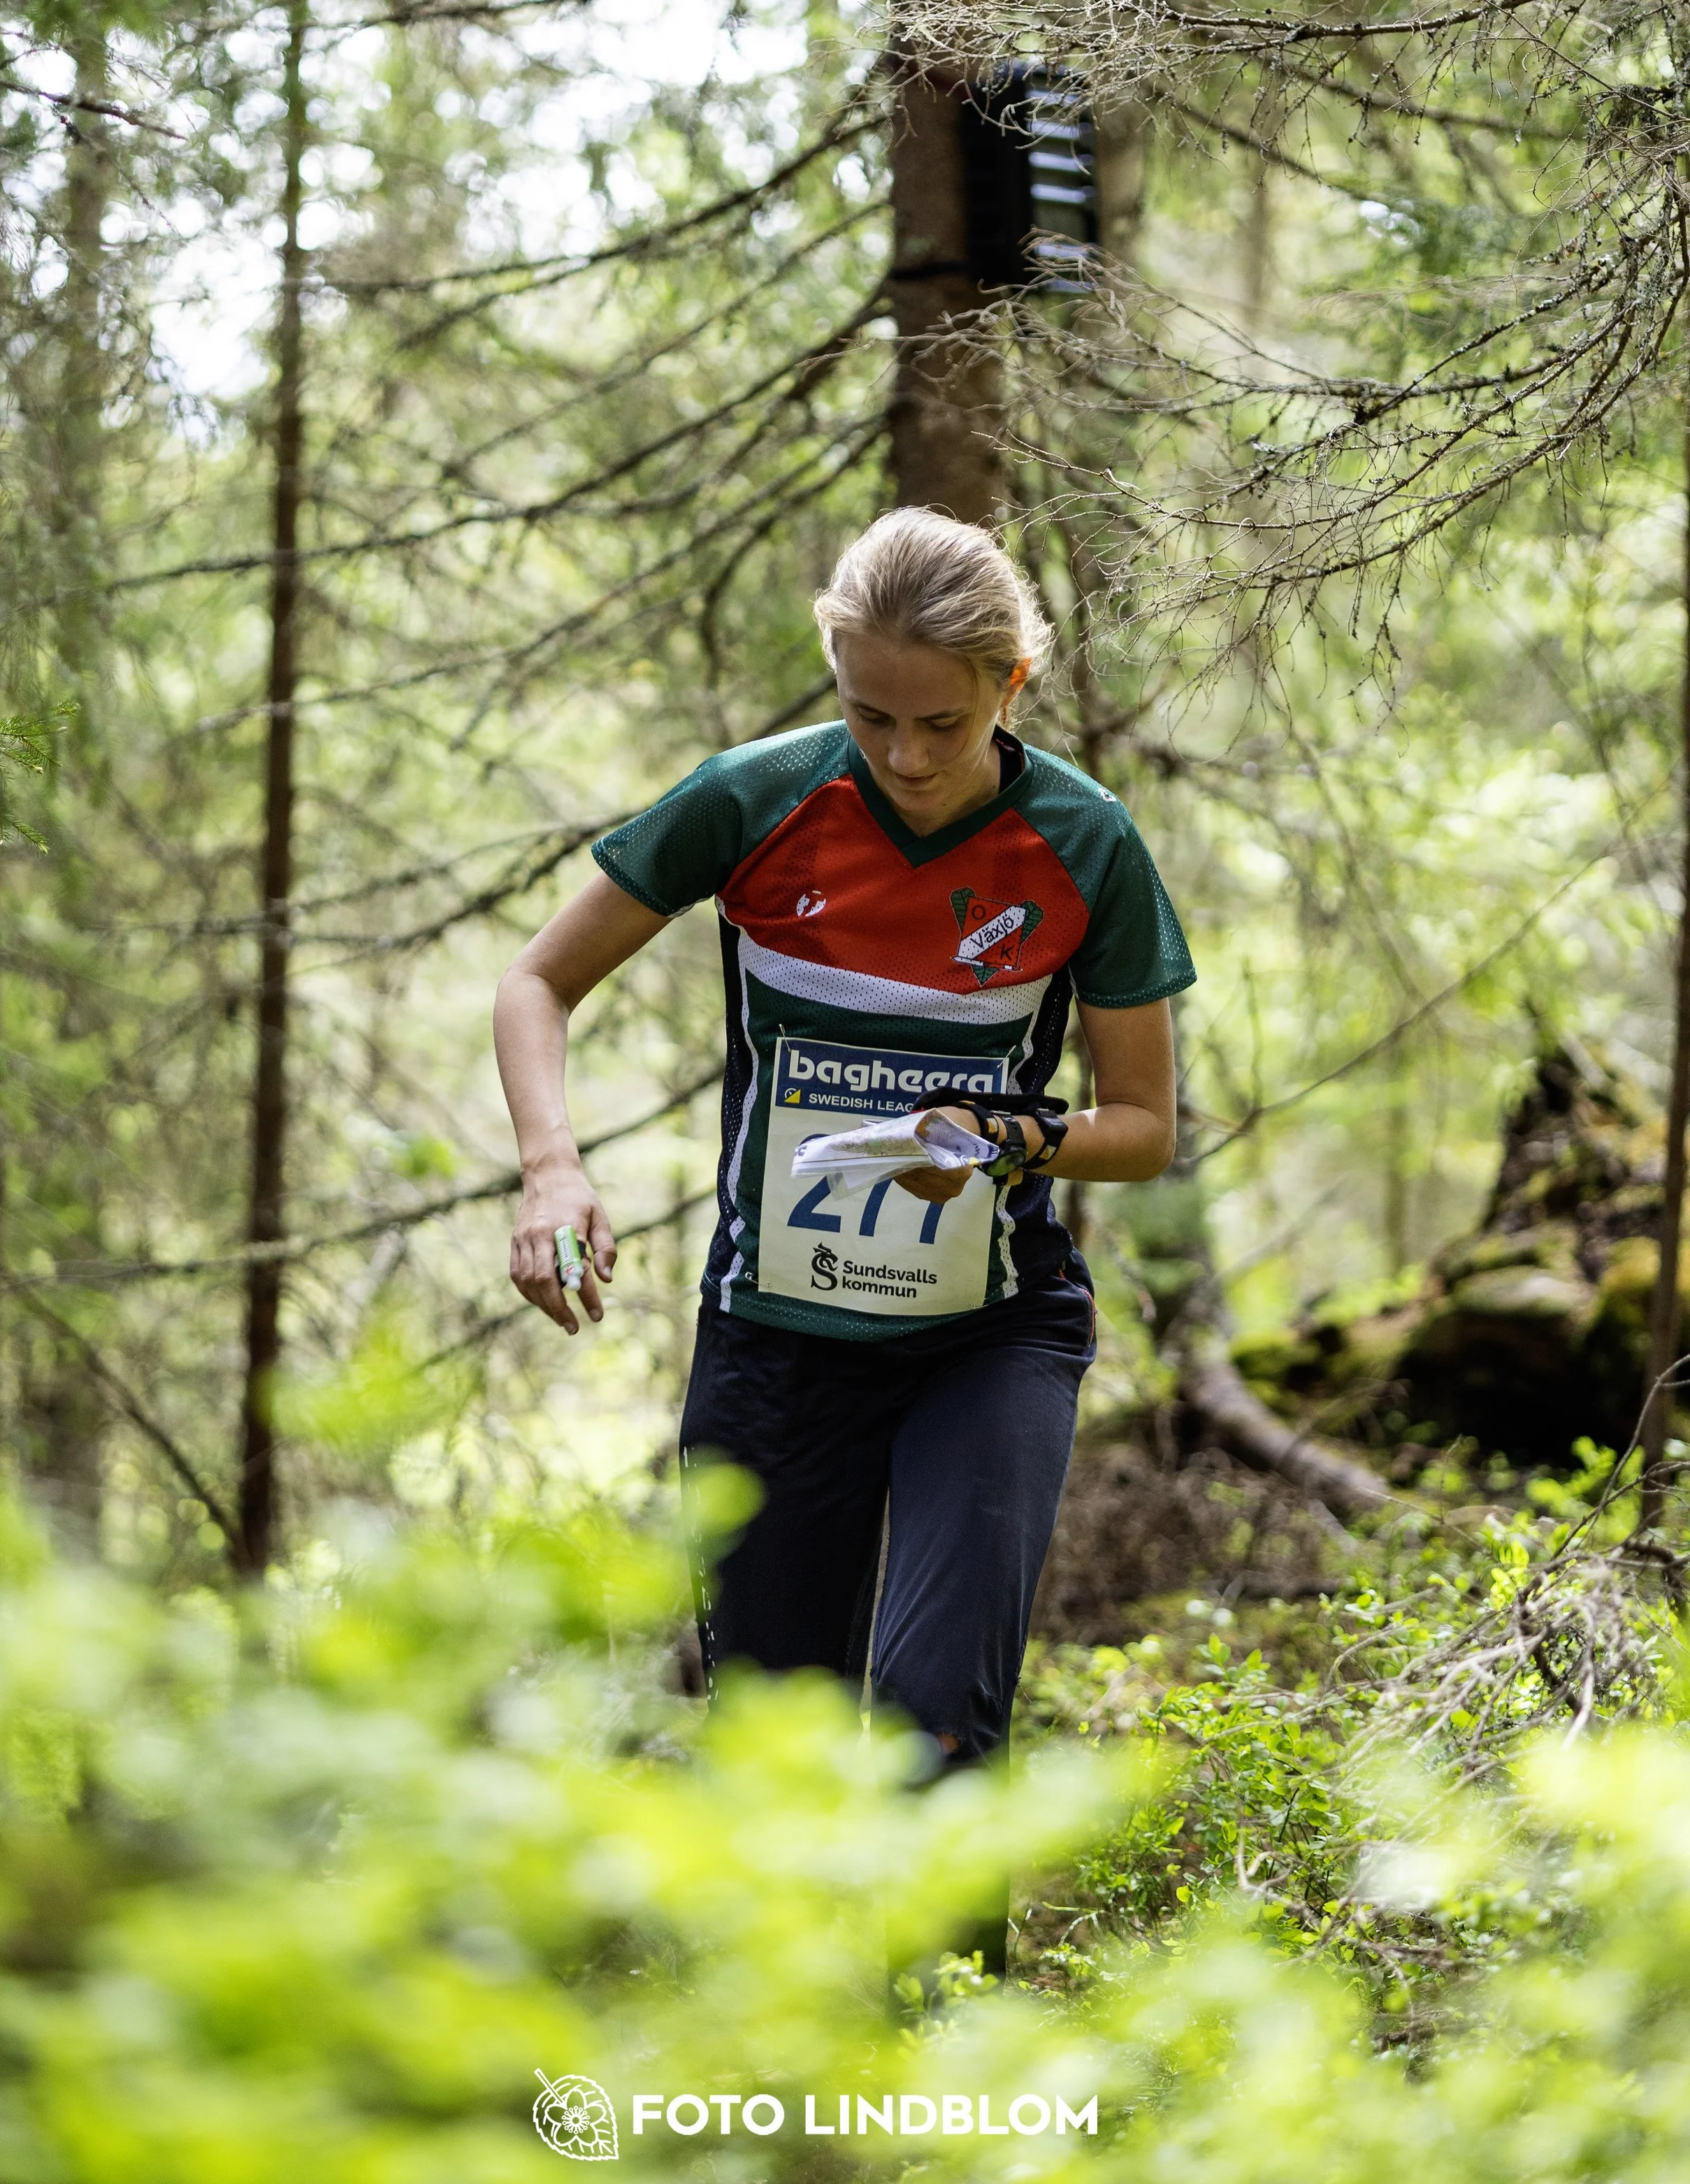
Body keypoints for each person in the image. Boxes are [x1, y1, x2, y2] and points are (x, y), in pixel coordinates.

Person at [493, 507, 1195, 1989]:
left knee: (937, 1714)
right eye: (868, 712)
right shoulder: (753, 802)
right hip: (772, 1336)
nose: (904, 753)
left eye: (940, 719)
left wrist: (1011, 1137)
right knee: (771, 1739)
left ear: (1013, 680)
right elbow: (536, 984)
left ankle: (940, 2084)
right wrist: (551, 1169)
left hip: (984, 1335)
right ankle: (792, 2098)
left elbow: (1141, 1124)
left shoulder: (1081, 842)